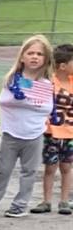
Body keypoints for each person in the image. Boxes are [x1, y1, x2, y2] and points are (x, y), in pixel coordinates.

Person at [0, 35, 55, 217]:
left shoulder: (45, 84)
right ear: (22, 56)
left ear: (46, 59)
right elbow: (5, 101)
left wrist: (30, 99)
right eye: (30, 53)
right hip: (11, 133)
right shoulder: (13, 79)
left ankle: (20, 205)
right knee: (2, 170)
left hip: (34, 134)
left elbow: (47, 108)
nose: (34, 57)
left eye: (39, 54)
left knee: (30, 171)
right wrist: (23, 96)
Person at [39, 43, 73, 215]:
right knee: (50, 167)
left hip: (70, 134)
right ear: (63, 65)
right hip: (51, 131)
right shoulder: (50, 82)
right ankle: (46, 201)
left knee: (67, 167)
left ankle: (65, 201)